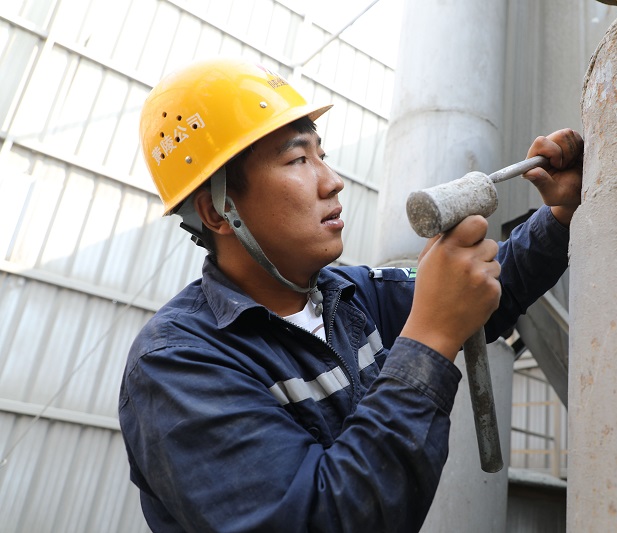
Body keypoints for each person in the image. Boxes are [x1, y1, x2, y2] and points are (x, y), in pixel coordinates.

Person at [118, 57, 583, 533]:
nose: (332, 180)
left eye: (322, 154)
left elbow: (494, 290)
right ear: (218, 212)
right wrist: (432, 336)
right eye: (298, 160)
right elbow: (321, 521)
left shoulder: (350, 297)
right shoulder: (178, 364)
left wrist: (562, 211)